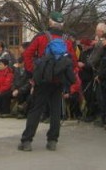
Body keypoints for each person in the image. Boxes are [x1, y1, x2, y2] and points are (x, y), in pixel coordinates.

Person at [19, 11, 77, 152]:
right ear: (62, 24)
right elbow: (73, 61)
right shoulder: (67, 40)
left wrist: (33, 71)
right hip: (58, 80)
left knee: (36, 109)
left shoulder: (41, 37)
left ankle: (27, 141)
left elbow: (27, 54)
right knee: (56, 110)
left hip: (42, 79)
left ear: (50, 22)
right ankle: (52, 141)